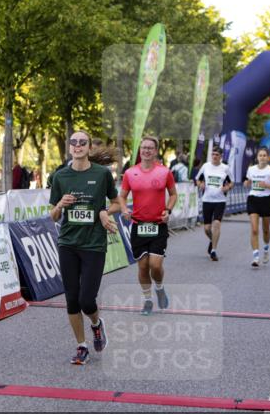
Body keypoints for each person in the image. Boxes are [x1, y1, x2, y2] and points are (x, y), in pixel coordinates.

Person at [49, 131, 121, 365]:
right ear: (69, 148)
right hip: (68, 243)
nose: (77, 146)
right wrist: (60, 204)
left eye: (82, 142)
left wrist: (104, 212)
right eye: (74, 142)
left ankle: (96, 324)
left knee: (87, 300)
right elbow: (53, 216)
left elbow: (118, 204)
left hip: (93, 244)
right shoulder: (60, 177)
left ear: (89, 147)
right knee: (72, 299)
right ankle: (81, 346)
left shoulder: (101, 175)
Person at [120, 135, 177, 315]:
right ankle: (147, 300)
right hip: (138, 225)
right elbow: (121, 196)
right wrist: (123, 209)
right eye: (143, 147)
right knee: (143, 266)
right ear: (140, 150)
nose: (146, 151)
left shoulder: (164, 172)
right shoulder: (130, 173)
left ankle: (159, 288)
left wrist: (168, 210)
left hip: (158, 225)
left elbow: (174, 194)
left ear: (155, 151)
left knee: (155, 265)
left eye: (150, 148)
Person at [244, 147, 270, 267]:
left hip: (267, 200)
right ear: (257, 157)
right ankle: (255, 256)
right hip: (253, 199)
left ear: (268, 157)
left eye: (264, 155)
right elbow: (248, 181)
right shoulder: (251, 169)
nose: (262, 157)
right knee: (254, 229)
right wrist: (247, 183)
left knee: (265, 229)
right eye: (260, 155)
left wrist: (267, 185)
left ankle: (265, 249)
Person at [195, 146, 232, 261]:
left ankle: (214, 251)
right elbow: (198, 179)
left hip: (220, 201)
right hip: (207, 200)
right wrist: (200, 184)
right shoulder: (206, 166)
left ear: (221, 156)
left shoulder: (225, 168)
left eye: (217, 155)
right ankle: (213, 240)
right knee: (207, 228)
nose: (214, 156)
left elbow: (232, 182)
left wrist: (227, 188)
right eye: (213, 154)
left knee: (216, 224)